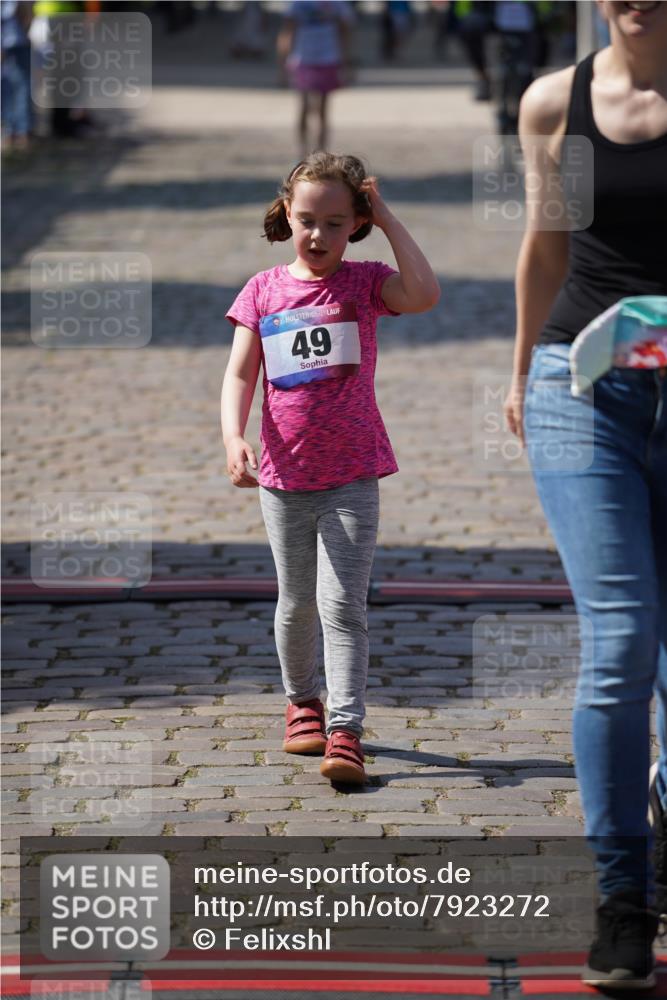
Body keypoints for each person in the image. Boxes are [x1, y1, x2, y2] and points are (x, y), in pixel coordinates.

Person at [504, 0, 667, 988]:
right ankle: (622, 900)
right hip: (583, 384)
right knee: (620, 639)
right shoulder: (551, 102)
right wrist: (520, 371)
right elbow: (546, 242)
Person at [221, 153, 439, 786]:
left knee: (343, 606)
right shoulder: (262, 290)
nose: (318, 236)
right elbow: (241, 372)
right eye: (308, 220)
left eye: (337, 223)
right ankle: (302, 702)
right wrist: (233, 436)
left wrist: (390, 217)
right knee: (295, 605)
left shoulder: (367, 283)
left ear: (357, 224)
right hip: (284, 478)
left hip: (352, 474)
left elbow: (423, 293)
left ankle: (346, 729)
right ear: (288, 213)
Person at [277, 1, 354, 157]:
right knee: (304, 107)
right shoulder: (298, 3)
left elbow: (345, 33)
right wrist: (282, 66)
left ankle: (321, 153)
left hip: (329, 59)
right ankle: (303, 151)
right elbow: (287, 32)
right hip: (303, 59)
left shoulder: (337, 4)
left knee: (323, 109)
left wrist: (346, 63)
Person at [1, 0, 33, 151]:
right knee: (17, 87)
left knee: (16, 87)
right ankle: (18, 131)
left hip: (14, 40)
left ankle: (17, 131)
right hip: (15, 40)